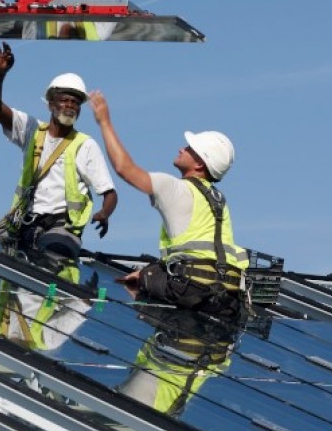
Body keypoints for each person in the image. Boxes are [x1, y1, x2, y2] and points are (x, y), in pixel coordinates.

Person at [88, 90, 249, 318]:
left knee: (139, 297)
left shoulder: (175, 188)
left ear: (201, 164)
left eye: (190, 149)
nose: (181, 149)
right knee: (149, 274)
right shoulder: (218, 200)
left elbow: (124, 168)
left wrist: (104, 121)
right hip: (228, 298)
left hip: (192, 289)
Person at [0, 42, 118, 258]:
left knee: (53, 258)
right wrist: (0, 73)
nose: (70, 106)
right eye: (64, 100)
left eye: (75, 102)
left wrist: (104, 213)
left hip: (61, 230)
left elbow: (109, 193)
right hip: (24, 223)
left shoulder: (85, 144)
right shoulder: (32, 131)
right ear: (50, 104)